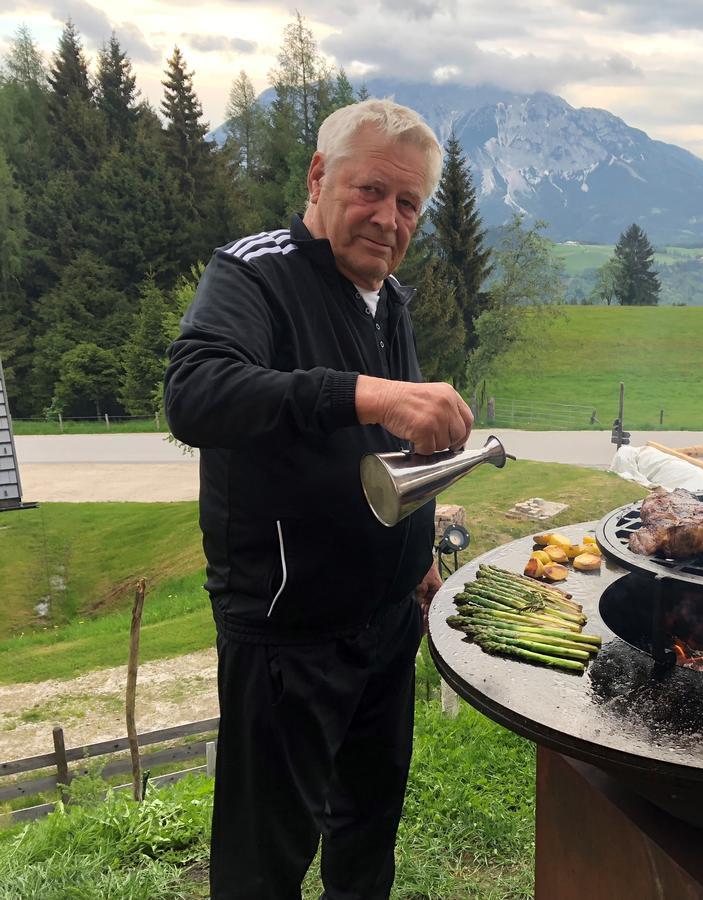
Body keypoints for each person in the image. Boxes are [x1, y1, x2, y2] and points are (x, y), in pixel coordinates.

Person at [163, 99, 473, 899]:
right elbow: (197, 394)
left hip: (384, 624)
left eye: (409, 203)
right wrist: (367, 392)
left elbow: (398, 453)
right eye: (371, 190)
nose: (388, 217)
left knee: (367, 833)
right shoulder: (254, 271)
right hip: (285, 633)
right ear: (318, 176)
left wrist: (419, 558)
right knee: (265, 862)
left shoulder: (390, 299)